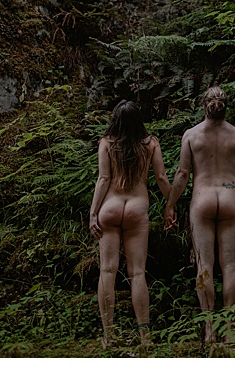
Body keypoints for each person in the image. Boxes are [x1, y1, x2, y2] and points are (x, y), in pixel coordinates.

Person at [163, 86, 235, 344]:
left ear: (203, 105)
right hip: (229, 199)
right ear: (225, 106)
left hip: (202, 201)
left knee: (204, 266)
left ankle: (209, 330)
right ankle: (230, 330)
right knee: (230, 266)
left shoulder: (192, 135)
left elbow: (182, 174)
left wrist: (170, 204)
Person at [90, 100, 171, 349]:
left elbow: (104, 179)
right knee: (137, 273)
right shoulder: (151, 143)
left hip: (110, 208)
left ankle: (109, 336)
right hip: (137, 208)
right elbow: (160, 176)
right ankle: (145, 337)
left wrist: (93, 214)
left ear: (115, 119)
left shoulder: (106, 143)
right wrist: (171, 205)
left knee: (107, 271)